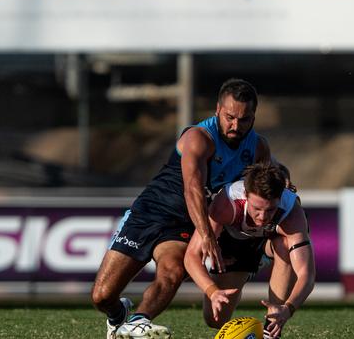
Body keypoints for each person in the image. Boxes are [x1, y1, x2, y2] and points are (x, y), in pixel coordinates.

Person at [91, 78, 272, 339]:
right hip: (151, 212)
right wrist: (208, 235)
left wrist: (286, 185)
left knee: (173, 271)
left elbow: (269, 180)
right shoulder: (199, 138)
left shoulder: (257, 147)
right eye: (230, 117)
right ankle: (119, 315)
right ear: (218, 110)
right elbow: (193, 189)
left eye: (244, 120)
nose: (236, 126)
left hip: (185, 225)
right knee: (102, 296)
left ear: (254, 116)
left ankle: (138, 322)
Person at [184, 163, 315, 339]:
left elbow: (306, 274)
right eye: (257, 209)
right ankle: (253, 265)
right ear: (246, 195)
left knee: (285, 245)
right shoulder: (227, 204)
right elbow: (191, 256)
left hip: (270, 240)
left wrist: (288, 308)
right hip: (236, 244)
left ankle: (272, 328)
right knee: (215, 320)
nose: (262, 217)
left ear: (280, 198)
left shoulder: (291, 211)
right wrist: (212, 291)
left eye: (270, 210)